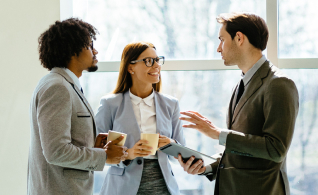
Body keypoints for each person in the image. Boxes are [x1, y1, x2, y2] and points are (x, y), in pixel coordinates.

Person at [177, 13, 299, 195]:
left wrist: (218, 133)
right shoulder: (241, 84)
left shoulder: (279, 84)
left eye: (222, 40)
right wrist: (206, 168)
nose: (219, 48)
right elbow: (240, 150)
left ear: (239, 38)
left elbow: (276, 149)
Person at [28, 18, 128, 195]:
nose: (95, 51)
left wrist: (93, 146)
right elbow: (56, 151)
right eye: (90, 46)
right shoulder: (57, 87)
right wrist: (104, 156)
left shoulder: (63, 84)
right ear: (73, 50)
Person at [95, 41, 185, 195]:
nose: (156, 65)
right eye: (149, 61)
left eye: (157, 60)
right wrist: (128, 154)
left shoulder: (171, 104)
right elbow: (96, 151)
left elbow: (181, 150)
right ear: (131, 68)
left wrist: (171, 143)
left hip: (163, 187)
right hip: (122, 188)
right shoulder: (110, 104)